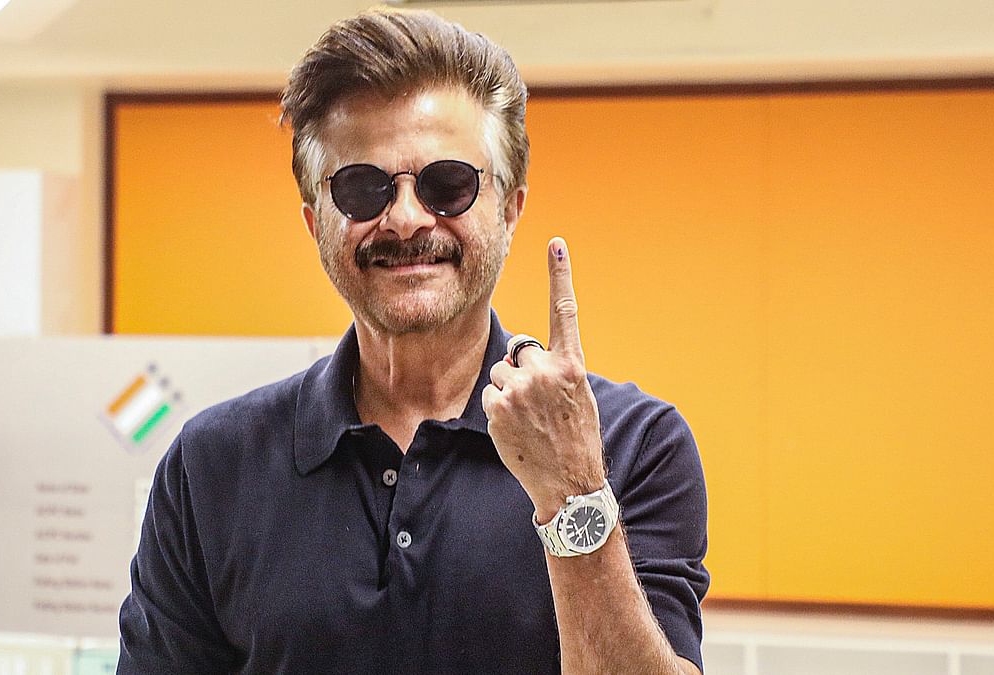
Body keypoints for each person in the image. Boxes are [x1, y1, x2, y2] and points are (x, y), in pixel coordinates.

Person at [117, 8, 709, 674]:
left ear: (510, 207)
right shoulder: (212, 467)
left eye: (447, 184)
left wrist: (574, 492)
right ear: (316, 221)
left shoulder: (637, 444)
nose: (403, 218)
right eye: (362, 187)